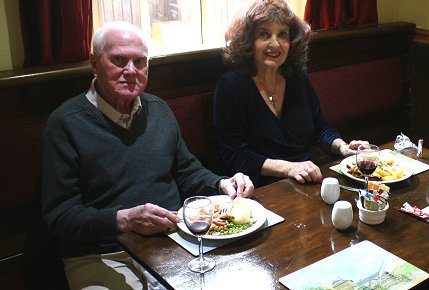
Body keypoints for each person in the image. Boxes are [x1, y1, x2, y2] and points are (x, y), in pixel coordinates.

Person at [40, 22, 255, 289]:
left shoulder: (159, 110)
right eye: (119, 60)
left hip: (171, 241)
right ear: (94, 64)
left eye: (139, 62)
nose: (130, 71)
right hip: (100, 254)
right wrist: (125, 220)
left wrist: (221, 183)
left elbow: (187, 171)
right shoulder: (65, 124)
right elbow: (60, 215)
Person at [214, 0, 368, 186]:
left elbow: (319, 126)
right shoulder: (231, 87)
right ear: (248, 41)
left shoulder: (297, 78)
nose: (275, 43)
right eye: (264, 34)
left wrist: (343, 147)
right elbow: (234, 155)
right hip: (259, 189)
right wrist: (290, 168)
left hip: (307, 180)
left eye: (282, 35)